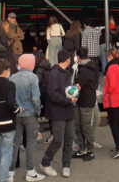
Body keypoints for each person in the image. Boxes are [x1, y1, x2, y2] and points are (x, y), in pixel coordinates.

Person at [9, 53, 45, 181]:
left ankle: (10, 172)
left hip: (16, 114)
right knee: (30, 143)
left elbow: (10, 97)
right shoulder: (33, 77)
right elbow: (36, 98)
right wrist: (38, 112)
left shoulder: (12, 77)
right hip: (30, 114)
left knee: (14, 143)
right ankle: (30, 171)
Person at [40, 50, 76, 178]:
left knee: (69, 139)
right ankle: (45, 162)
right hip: (58, 112)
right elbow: (52, 93)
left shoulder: (65, 72)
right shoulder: (54, 73)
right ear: (67, 60)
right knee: (58, 140)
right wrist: (68, 100)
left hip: (68, 110)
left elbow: (63, 90)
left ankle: (66, 165)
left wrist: (74, 90)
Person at [72, 47, 100, 161]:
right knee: (79, 126)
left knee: (86, 128)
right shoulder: (92, 66)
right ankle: (82, 149)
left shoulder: (84, 69)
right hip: (84, 100)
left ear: (78, 56)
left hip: (86, 101)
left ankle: (90, 151)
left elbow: (78, 85)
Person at [103, 48, 119, 159]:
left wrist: (105, 92)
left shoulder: (111, 68)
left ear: (109, 56)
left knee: (113, 123)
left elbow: (112, 85)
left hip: (114, 99)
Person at [33, 51, 51, 143]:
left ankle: (37, 133)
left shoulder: (39, 68)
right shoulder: (47, 65)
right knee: (50, 115)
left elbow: (36, 80)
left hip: (41, 93)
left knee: (35, 113)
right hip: (48, 92)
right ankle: (53, 135)